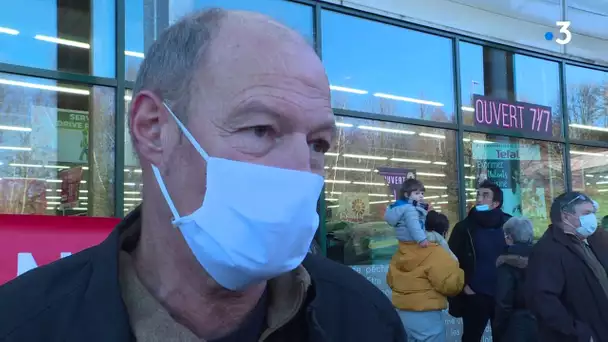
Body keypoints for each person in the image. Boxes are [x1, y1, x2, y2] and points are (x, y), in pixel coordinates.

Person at [0, 9, 406, 342]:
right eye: (261, 129)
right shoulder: (24, 323)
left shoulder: (362, 319)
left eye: (318, 144)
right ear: (153, 128)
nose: (301, 170)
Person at [525, 192, 608, 342]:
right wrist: (579, 333)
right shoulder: (548, 250)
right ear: (566, 216)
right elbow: (543, 300)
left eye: (593, 213)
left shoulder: (588, 242)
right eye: (587, 213)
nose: (592, 219)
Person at [448, 180, 511, 342]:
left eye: (485, 195)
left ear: (496, 203)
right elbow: (451, 260)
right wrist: (464, 286)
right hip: (476, 295)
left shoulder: (509, 224)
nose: (479, 199)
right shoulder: (464, 227)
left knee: (504, 337)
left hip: (503, 295)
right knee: (471, 338)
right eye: (478, 194)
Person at [387, 210, 464, 342]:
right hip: (427, 316)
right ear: (444, 232)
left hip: (401, 313)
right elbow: (450, 286)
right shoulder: (437, 252)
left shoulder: (403, 250)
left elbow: (390, 279)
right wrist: (459, 270)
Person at [493, 217, 537, 342]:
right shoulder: (544, 258)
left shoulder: (506, 262)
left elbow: (504, 301)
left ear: (509, 237)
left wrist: (498, 328)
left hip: (516, 326)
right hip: (542, 323)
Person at [385, 178, 430, 248]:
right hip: (412, 242)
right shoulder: (410, 209)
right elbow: (414, 225)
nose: (421, 196)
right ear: (406, 195)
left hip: (403, 241)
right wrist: (422, 239)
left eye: (422, 193)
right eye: (417, 193)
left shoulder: (400, 207)